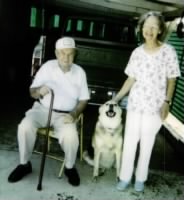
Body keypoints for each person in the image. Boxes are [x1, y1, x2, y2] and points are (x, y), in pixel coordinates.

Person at [8, 37, 90, 186]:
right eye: (62, 53)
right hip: (43, 109)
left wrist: (74, 114)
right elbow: (31, 91)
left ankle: (69, 167)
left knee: (71, 135)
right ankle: (24, 164)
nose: (66, 57)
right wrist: (39, 91)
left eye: (70, 53)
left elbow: (84, 99)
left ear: (75, 54)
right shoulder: (47, 67)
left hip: (65, 114)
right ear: (56, 53)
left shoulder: (80, 73)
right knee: (24, 127)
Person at [113, 11, 181, 192]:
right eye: (145, 26)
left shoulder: (169, 51)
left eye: (153, 27)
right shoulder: (137, 52)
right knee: (129, 142)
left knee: (147, 142)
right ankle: (125, 177)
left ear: (160, 30)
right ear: (141, 28)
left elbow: (172, 79)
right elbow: (130, 79)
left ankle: (140, 179)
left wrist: (167, 102)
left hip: (155, 107)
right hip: (135, 104)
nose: (148, 30)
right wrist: (117, 98)